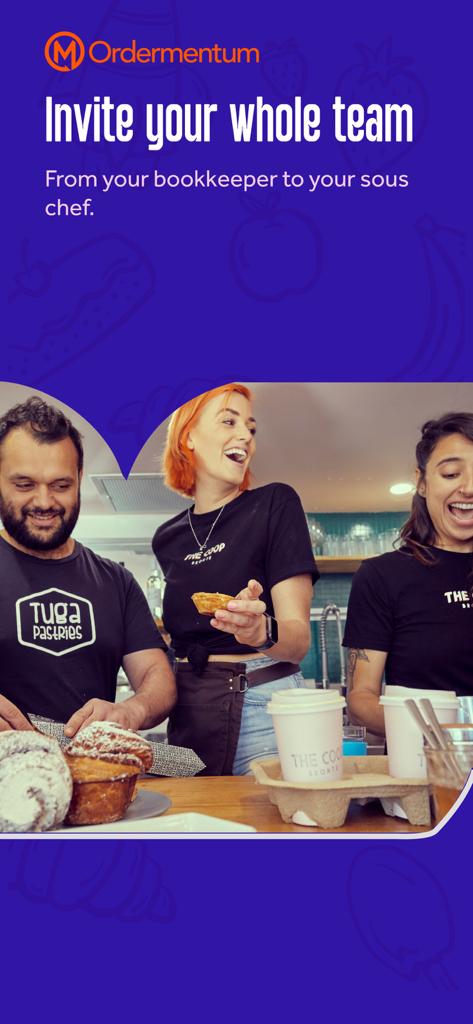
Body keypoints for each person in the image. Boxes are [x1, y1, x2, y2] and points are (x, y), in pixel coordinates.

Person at [152, 384, 319, 776]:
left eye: (251, 427)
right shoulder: (167, 537)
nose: (245, 435)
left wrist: (260, 631)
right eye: (229, 421)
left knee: (266, 815)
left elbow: (298, 642)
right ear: (188, 437)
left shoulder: (275, 503)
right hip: (188, 710)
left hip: (260, 701)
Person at [0, 396, 176, 736]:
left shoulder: (117, 582)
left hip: (92, 765)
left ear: (79, 478)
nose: (44, 502)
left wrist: (133, 709)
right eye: (24, 485)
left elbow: (158, 677)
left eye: (61, 485)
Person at [343, 412, 473, 736]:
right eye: (452, 473)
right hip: (422, 760)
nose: (469, 488)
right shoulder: (381, 576)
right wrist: (450, 734)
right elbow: (360, 701)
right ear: (422, 482)